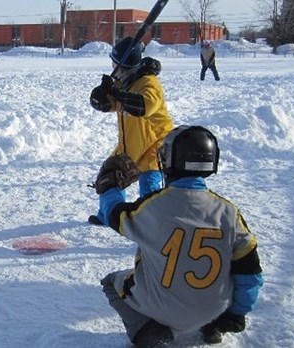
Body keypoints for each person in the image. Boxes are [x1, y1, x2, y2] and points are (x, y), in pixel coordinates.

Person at [92, 125, 263, 347]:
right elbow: (250, 275)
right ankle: (210, 326)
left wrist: (109, 190)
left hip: (164, 311)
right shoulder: (229, 212)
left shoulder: (154, 205)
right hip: (214, 310)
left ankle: (147, 331)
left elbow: (116, 215)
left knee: (111, 282)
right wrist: (235, 313)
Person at [88, 36, 174, 226]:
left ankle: (155, 226)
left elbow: (145, 106)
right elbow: (110, 103)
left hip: (154, 146)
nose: (112, 67)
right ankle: (108, 214)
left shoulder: (149, 83)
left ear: (123, 66)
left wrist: (118, 93)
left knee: (149, 186)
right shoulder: (124, 81)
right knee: (108, 177)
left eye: (114, 63)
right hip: (130, 145)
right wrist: (102, 96)